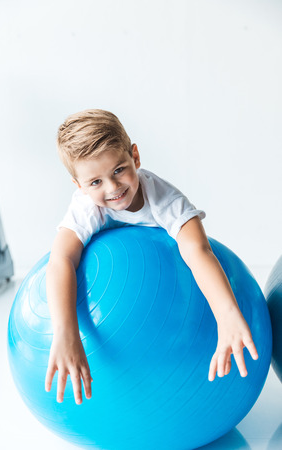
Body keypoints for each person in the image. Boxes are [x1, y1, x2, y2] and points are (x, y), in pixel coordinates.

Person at [45, 109, 259, 405]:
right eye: (95, 182)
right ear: (79, 186)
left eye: (119, 169)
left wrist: (227, 315)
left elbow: (198, 250)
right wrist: (65, 332)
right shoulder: (85, 206)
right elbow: (60, 261)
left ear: (135, 156)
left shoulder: (165, 200)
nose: (113, 187)